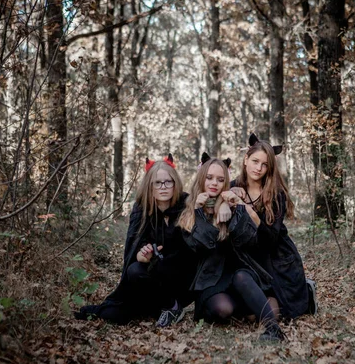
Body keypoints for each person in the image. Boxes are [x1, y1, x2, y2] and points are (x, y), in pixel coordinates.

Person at [74, 154, 196, 327]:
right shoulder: (141, 209)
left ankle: (174, 306)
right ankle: (161, 307)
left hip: (182, 279)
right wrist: (142, 255)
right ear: (149, 185)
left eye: (168, 182)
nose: (163, 187)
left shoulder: (186, 203)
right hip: (153, 283)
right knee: (116, 311)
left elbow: (194, 247)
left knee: (162, 265)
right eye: (157, 183)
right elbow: (135, 246)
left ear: (175, 183)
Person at [178, 153, 286, 342]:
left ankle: (273, 330)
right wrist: (200, 213)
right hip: (211, 279)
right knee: (223, 309)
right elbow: (201, 246)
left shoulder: (233, 204)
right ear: (201, 178)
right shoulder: (189, 211)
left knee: (255, 291)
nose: (214, 183)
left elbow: (248, 239)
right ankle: (249, 310)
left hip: (239, 273)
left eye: (220, 180)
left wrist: (234, 208)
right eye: (209, 178)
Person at [229, 133, 317, 320]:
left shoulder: (276, 194)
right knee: (242, 313)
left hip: (275, 259)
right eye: (255, 161)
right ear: (246, 159)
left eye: (265, 164)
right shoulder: (232, 187)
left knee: (276, 314)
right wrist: (226, 197)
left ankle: (305, 292)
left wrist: (249, 210)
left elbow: (270, 239)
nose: (258, 168)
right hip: (247, 260)